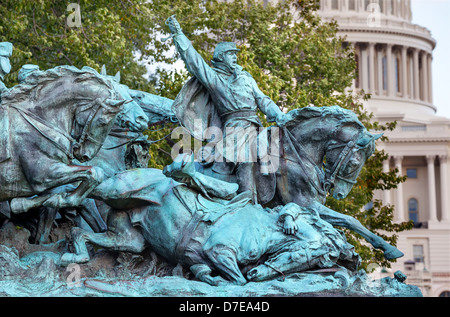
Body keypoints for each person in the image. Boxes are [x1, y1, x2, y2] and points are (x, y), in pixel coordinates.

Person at [167, 15, 287, 203]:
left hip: (257, 127)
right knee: (245, 154)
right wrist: (178, 34)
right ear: (221, 57)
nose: (235, 58)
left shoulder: (246, 78)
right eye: (231, 54)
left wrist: (279, 115)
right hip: (235, 130)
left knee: (282, 152)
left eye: (236, 55)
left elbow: (263, 100)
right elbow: (195, 62)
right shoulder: (216, 80)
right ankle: (246, 200)